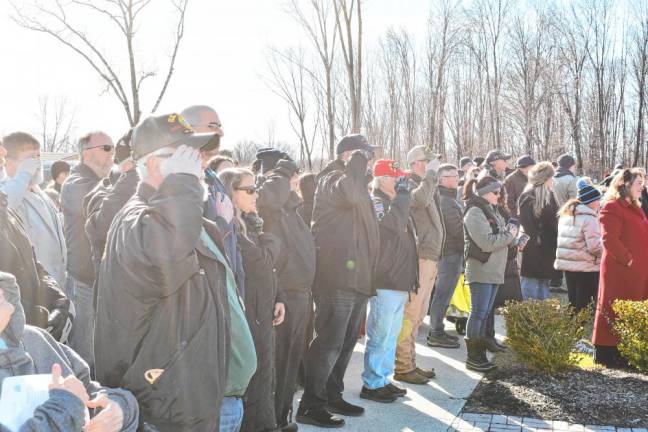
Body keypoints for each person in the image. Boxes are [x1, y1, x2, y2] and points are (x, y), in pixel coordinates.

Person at [94, 114, 237, 431]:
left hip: (187, 399)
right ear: (157, 164)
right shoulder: (137, 219)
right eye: (188, 154)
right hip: (162, 406)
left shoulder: (176, 214)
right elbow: (163, 257)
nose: (200, 162)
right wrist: (184, 183)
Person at [297, 134, 379, 429]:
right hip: (336, 277)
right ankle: (310, 405)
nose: (367, 159)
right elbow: (351, 195)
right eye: (362, 154)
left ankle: (332, 395)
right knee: (329, 342)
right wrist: (356, 162)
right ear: (347, 155)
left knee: (345, 344)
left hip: (359, 277)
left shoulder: (355, 182)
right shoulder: (331, 178)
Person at [0, 271, 139, 432]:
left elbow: (89, 392)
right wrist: (68, 406)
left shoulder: (34, 338)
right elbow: (72, 400)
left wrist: (120, 410)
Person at [253, 151, 316, 431]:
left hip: (300, 293)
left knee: (290, 363)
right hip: (282, 295)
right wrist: (281, 172)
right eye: (290, 177)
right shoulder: (266, 206)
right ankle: (273, 421)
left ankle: (282, 418)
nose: (294, 181)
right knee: (277, 364)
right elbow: (268, 196)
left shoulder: (290, 208)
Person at [219, 167, 285, 432]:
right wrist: (268, 239)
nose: (255, 194)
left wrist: (279, 297)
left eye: (255, 188)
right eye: (249, 189)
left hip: (264, 310)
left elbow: (269, 271)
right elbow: (261, 261)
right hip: (247, 317)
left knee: (265, 380)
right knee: (252, 383)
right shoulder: (228, 227)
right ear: (231, 193)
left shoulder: (249, 222)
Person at [360, 160, 416, 404]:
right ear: (382, 178)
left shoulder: (394, 202)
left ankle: (382, 379)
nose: (401, 182)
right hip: (385, 280)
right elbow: (390, 227)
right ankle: (371, 384)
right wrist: (403, 196)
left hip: (399, 281)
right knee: (380, 335)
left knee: (391, 336)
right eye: (396, 178)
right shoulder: (377, 202)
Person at [60, 131, 115, 366]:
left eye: (113, 148)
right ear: (86, 153)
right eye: (106, 148)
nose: (112, 153)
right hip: (85, 283)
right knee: (86, 356)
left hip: (102, 280)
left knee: (103, 350)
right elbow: (106, 213)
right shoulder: (76, 183)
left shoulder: (104, 181)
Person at [394, 145, 442, 385]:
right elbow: (420, 200)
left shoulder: (428, 183)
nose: (432, 165)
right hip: (420, 257)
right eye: (427, 161)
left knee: (420, 314)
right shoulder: (408, 184)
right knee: (410, 313)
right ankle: (402, 365)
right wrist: (431, 177)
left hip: (431, 258)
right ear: (415, 164)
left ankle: (410, 362)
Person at [593, 168, 648, 368]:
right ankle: (608, 354)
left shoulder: (636, 207)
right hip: (620, 270)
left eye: (643, 183)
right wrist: (629, 260)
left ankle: (629, 352)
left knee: (631, 309)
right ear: (625, 185)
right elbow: (609, 239)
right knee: (614, 308)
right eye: (638, 183)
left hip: (638, 272)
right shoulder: (612, 206)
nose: (642, 187)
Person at [0, 191, 72, 341]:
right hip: (10, 345)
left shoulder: (7, 211)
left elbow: (32, 262)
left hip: (28, 337)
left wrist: (56, 298)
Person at [462, 175, 517, 371]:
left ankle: (481, 351)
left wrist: (514, 240)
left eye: (500, 191)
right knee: (478, 313)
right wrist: (509, 235)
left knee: (485, 314)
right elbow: (486, 243)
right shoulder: (475, 211)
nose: (499, 195)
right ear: (485, 193)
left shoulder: (492, 210)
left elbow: (502, 237)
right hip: (482, 270)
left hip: (494, 270)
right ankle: (473, 356)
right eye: (496, 192)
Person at [0, 133, 66, 288]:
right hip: (35, 290)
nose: (37, 163)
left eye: (38, 157)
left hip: (58, 284)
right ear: (8, 162)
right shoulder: (7, 191)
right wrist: (24, 174)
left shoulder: (39, 191)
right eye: (31, 159)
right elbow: (6, 205)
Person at [427, 164, 463, 349]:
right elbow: (456, 230)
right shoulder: (444, 200)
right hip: (449, 253)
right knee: (442, 294)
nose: (457, 178)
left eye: (458, 175)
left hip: (453, 253)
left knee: (445, 294)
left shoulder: (450, 198)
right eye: (453, 176)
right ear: (442, 179)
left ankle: (438, 329)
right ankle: (436, 333)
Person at [554, 178, 603, 313]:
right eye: (597, 200)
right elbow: (594, 247)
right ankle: (579, 330)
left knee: (573, 302)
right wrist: (606, 252)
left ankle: (570, 330)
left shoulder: (567, 215)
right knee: (584, 304)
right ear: (590, 201)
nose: (599, 203)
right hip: (586, 266)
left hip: (569, 265)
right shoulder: (589, 218)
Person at [518, 162, 559, 300]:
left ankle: (543, 319)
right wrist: (537, 240)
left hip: (548, 248)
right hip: (533, 248)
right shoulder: (528, 196)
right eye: (551, 178)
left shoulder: (551, 195)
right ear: (544, 178)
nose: (552, 181)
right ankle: (529, 319)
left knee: (543, 286)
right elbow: (527, 225)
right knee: (530, 285)